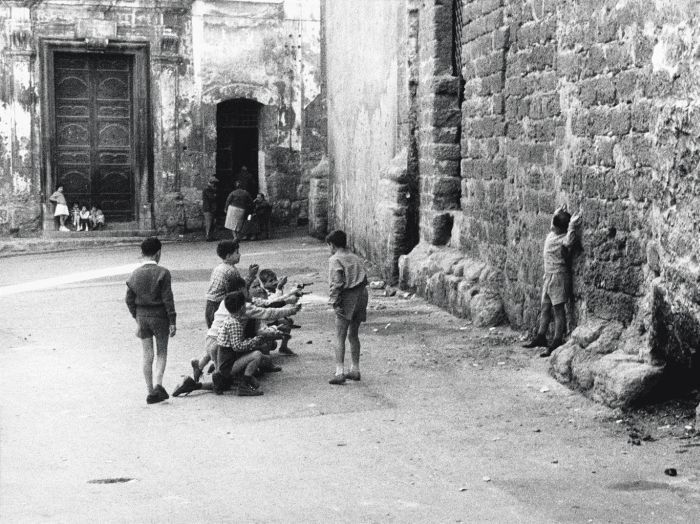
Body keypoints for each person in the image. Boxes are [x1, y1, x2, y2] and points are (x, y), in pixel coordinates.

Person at [522, 205, 582, 357]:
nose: (552, 227)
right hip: (548, 277)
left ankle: (556, 341)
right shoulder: (554, 232)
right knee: (545, 308)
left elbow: (570, 238)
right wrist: (557, 212)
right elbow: (555, 222)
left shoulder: (563, 238)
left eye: (555, 225)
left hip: (558, 277)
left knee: (558, 310)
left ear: (560, 228)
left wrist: (573, 224)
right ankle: (541, 336)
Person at [125, 237, 176, 404]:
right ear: (158, 253)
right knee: (162, 352)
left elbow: (129, 299)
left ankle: (149, 390)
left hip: (142, 317)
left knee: (147, 355)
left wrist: (136, 315)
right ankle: (158, 386)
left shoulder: (134, 274)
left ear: (141, 253)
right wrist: (172, 320)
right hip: (160, 317)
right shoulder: (163, 272)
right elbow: (168, 299)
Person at [325, 230, 369, 385]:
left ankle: (339, 372)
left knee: (339, 335)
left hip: (348, 296)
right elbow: (365, 277)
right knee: (353, 334)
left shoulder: (335, 259)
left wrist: (334, 301)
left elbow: (337, 282)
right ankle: (355, 369)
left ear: (332, 244)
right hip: (362, 295)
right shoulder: (356, 257)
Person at [202, 176, 218, 241]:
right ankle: (208, 236)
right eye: (214, 183)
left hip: (211, 208)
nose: (214, 185)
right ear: (212, 183)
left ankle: (211, 236)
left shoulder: (210, 189)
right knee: (209, 223)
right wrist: (215, 194)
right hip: (208, 208)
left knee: (212, 223)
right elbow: (212, 197)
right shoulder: (207, 189)